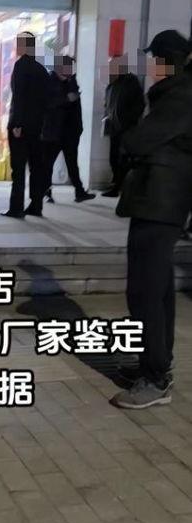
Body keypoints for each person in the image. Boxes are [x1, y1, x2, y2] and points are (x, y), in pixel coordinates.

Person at [111, 30, 192, 410]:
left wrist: (126, 130)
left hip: (161, 203)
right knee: (157, 289)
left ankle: (155, 378)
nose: (150, 66)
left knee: (144, 291)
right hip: (158, 202)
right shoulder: (174, 94)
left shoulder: (180, 96)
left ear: (167, 61)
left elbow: (138, 140)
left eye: (154, 59)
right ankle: (157, 363)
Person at [1, 32, 50, 219]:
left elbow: (19, 96)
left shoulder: (21, 66)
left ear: (23, 46)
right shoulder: (41, 69)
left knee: (19, 168)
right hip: (38, 126)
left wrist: (17, 123)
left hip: (21, 126)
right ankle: (36, 205)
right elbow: (46, 100)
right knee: (36, 167)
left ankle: (16, 207)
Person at [42, 56, 95, 204]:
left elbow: (76, 105)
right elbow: (48, 104)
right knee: (48, 164)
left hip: (70, 131)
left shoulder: (72, 81)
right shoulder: (50, 81)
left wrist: (79, 128)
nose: (71, 69)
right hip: (53, 131)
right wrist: (66, 100)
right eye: (68, 66)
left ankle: (80, 192)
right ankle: (46, 192)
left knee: (72, 163)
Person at [102, 57, 145, 197]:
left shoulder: (130, 82)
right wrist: (106, 116)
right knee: (113, 158)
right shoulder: (112, 83)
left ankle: (120, 187)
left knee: (124, 159)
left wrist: (129, 120)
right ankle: (116, 184)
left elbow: (139, 104)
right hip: (114, 128)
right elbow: (107, 103)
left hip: (127, 128)